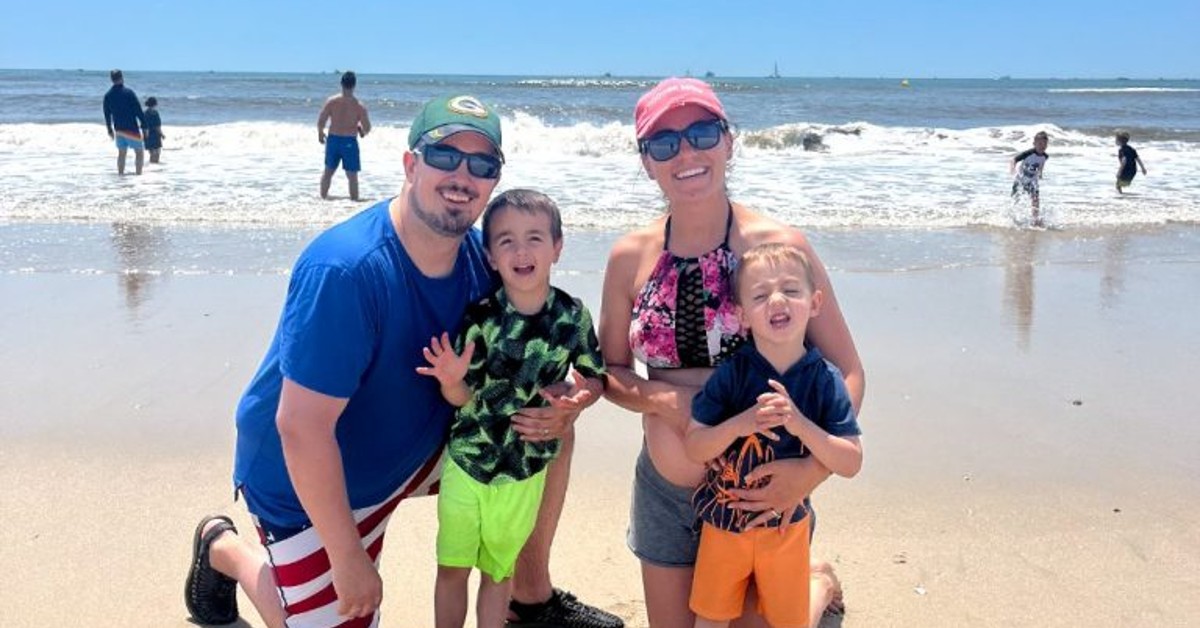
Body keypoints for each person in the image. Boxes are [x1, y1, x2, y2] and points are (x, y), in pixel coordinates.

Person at [184, 94, 623, 628]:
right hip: (312, 480)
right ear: (410, 164)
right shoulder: (346, 270)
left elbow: (548, 331)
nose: (462, 175)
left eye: (482, 165)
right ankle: (223, 548)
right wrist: (347, 558)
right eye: (444, 156)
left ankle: (528, 597)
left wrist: (570, 403)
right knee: (340, 612)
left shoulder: (487, 256)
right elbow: (300, 429)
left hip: (421, 449)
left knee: (543, 423)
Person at [598, 77, 865, 628]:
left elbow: (848, 371)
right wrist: (670, 401)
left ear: (728, 141)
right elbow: (612, 372)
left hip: (766, 494)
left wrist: (811, 472)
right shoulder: (630, 256)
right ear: (647, 162)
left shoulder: (780, 248)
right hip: (669, 493)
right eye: (664, 143)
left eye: (701, 133)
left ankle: (816, 585)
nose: (686, 153)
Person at [417, 188, 607, 628]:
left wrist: (579, 400)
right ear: (490, 256)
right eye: (506, 241)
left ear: (557, 247)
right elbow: (464, 399)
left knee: (498, 573)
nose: (521, 250)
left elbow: (595, 376)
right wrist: (450, 379)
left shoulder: (572, 316)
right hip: (468, 464)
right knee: (452, 568)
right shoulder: (480, 317)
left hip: (525, 472)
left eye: (535, 238)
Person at [684, 243, 863, 628]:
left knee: (791, 623)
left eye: (791, 291)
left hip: (786, 525)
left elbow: (851, 461)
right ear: (742, 315)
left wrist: (800, 425)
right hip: (723, 523)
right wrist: (741, 424)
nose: (777, 301)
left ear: (815, 303)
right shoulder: (733, 374)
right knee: (709, 620)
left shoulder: (824, 380)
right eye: (761, 295)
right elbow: (695, 445)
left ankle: (821, 585)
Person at [318, 70, 372, 201]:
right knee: (352, 176)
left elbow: (321, 120)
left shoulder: (331, 101)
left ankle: (322, 200)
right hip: (349, 141)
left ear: (341, 84)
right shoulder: (359, 106)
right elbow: (367, 127)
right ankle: (354, 203)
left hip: (333, 139)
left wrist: (320, 133)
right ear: (354, 85)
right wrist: (362, 131)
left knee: (328, 172)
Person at [102, 69, 146, 175]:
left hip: (118, 129)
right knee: (139, 152)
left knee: (122, 153)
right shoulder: (129, 93)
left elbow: (107, 115)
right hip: (131, 128)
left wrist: (109, 130)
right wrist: (145, 125)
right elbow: (138, 110)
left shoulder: (108, 95)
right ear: (122, 77)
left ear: (111, 79)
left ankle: (120, 176)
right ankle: (138, 175)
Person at [1010, 131, 1050, 227]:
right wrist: (1013, 170)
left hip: (1033, 181)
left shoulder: (1045, 156)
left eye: (1044, 144)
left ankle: (1035, 220)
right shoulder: (1028, 153)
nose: (1042, 146)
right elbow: (1013, 160)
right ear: (1034, 144)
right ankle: (1012, 218)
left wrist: (1040, 173)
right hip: (1020, 180)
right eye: (1040, 143)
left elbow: (1041, 164)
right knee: (1015, 199)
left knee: (1035, 199)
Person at [143, 96, 164, 164]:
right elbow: (157, 126)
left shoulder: (145, 113)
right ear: (155, 104)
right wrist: (162, 134)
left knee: (151, 152)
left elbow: (144, 126)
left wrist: (145, 135)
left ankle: (152, 167)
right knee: (157, 152)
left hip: (147, 134)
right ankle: (155, 166)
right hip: (155, 134)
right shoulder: (155, 113)